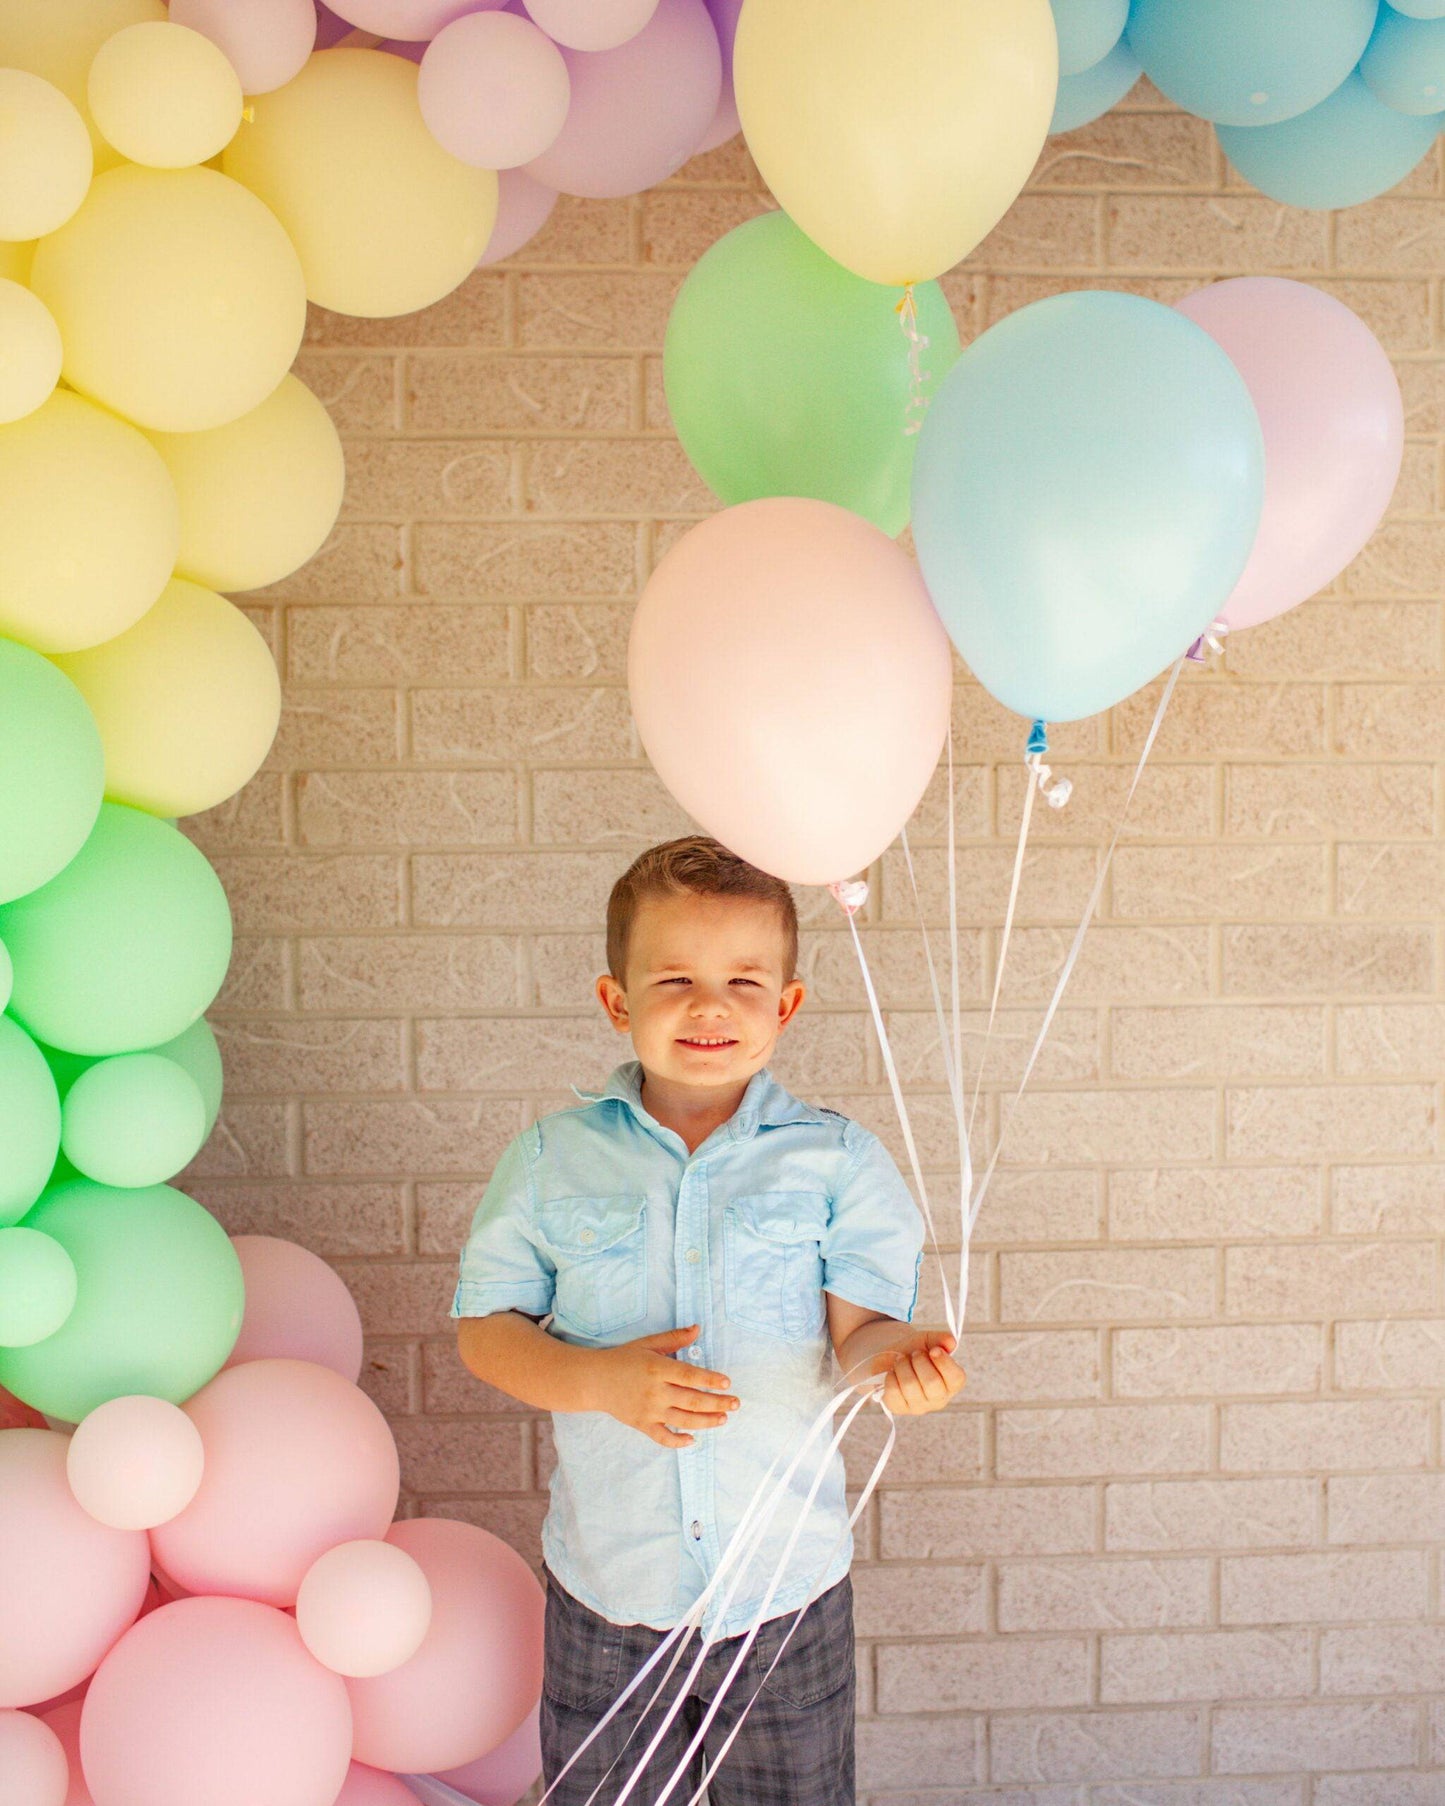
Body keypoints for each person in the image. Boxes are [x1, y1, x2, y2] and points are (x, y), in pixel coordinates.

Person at [452, 835, 967, 1805]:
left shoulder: (837, 1162)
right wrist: (598, 1379)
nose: (708, 1005)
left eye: (742, 979)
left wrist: (902, 1359)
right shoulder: (550, 1159)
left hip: (782, 1595)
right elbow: (485, 1331)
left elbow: (860, 1334)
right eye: (674, 978)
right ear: (617, 1002)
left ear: (785, 1004)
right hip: (610, 1589)